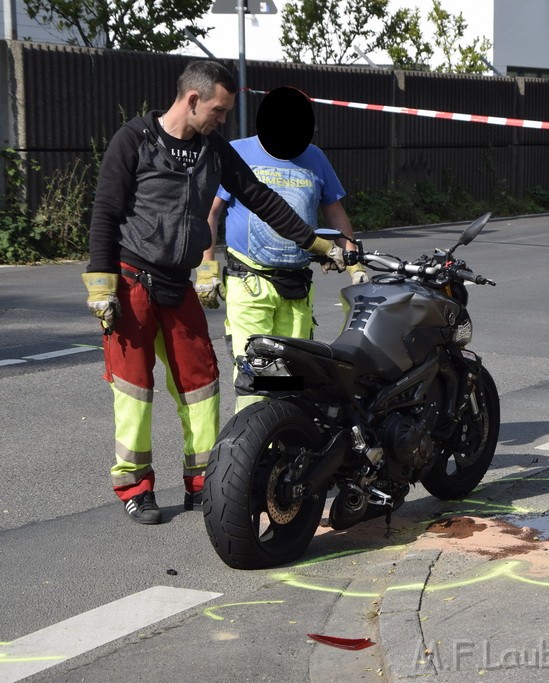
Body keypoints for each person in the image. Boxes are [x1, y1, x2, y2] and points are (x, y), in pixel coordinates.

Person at [83, 60, 348, 525]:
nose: (222, 120)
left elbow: (262, 199)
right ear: (192, 100)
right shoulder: (135, 140)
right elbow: (105, 212)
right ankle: (135, 486)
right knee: (134, 388)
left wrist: (317, 242)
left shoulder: (213, 150)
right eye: (219, 111)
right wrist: (102, 283)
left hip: (175, 283)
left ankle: (203, 481)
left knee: (200, 382)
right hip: (131, 280)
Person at [203, 86, 367, 414]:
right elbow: (210, 212)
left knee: (291, 378)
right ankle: (251, 454)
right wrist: (205, 270)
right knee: (256, 375)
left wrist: (355, 265)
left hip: (296, 288)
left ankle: (283, 452)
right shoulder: (237, 152)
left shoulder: (315, 157)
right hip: (249, 284)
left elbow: (335, 213)